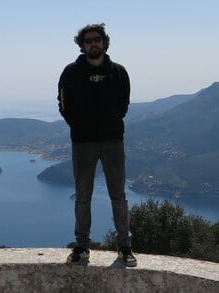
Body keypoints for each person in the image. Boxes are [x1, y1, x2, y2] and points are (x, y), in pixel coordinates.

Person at [57, 23, 136, 267]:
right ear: (82, 45)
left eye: (97, 39)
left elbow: (124, 104)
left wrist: (109, 123)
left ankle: (125, 247)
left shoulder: (119, 72)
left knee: (118, 196)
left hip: (113, 141)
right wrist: (79, 126)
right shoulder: (70, 72)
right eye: (89, 40)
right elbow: (63, 104)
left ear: (104, 42)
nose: (93, 43)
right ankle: (82, 247)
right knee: (83, 197)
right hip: (83, 143)